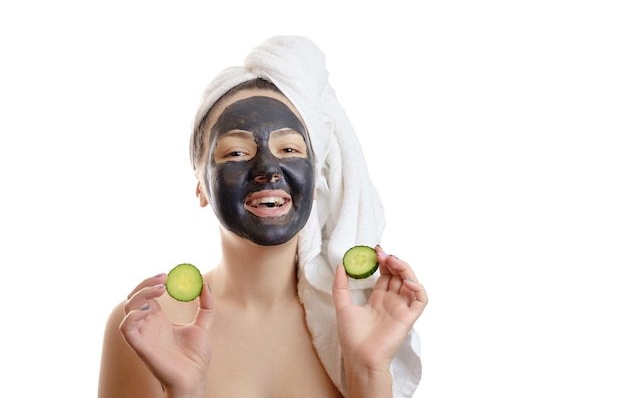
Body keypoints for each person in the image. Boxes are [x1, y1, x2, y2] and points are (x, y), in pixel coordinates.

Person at [98, 35, 428, 398]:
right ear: (201, 187)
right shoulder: (148, 327)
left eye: (289, 148)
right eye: (237, 152)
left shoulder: (356, 324)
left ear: (315, 177)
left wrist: (367, 371)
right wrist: (184, 389)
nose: (268, 170)